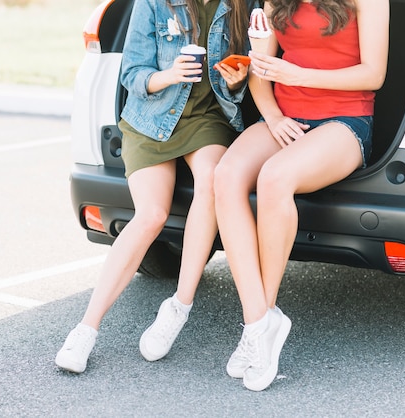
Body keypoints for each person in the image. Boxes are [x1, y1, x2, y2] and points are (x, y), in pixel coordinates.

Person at [56, 0, 253, 373]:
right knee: (151, 216)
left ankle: (178, 305)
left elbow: (242, 85)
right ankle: (86, 328)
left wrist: (237, 82)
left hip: (207, 120)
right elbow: (132, 74)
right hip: (151, 118)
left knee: (211, 180)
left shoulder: (239, 6)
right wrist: (171, 74)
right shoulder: (154, 3)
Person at [214, 0, 389, 391]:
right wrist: (273, 116)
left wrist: (298, 73)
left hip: (345, 120)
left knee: (275, 177)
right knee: (225, 175)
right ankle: (259, 321)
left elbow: (373, 74)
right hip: (286, 116)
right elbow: (263, 70)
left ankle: (262, 324)